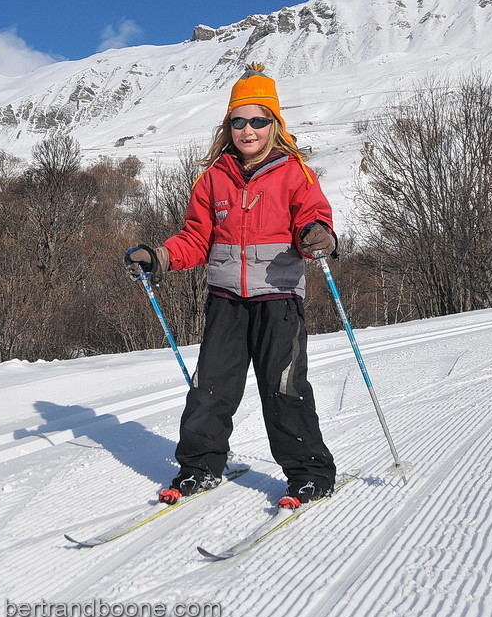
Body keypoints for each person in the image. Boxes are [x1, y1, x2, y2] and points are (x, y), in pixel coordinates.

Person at [124, 62, 338, 510]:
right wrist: (158, 257)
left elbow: (315, 218)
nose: (247, 130)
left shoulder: (296, 173)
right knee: (210, 389)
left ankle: (309, 473)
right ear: (228, 127)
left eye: (258, 120)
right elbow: (196, 239)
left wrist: (319, 235)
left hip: (278, 298)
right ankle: (200, 467)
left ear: (274, 125)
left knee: (283, 388)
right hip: (225, 300)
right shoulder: (213, 177)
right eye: (237, 121)